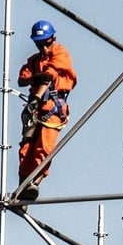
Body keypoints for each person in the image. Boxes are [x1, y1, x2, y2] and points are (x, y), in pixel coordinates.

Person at [16, 20, 77, 202]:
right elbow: (22, 78)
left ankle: (35, 183)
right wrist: (35, 79)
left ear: (53, 39)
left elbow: (50, 75)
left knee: (45, 148)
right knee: (26, 149)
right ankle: (22, 189)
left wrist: (36, 95)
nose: (43, 47)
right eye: (39, 44)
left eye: (46, 43)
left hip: (52, 108)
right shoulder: (35, 60)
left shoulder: (60, 53)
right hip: (35, 110)